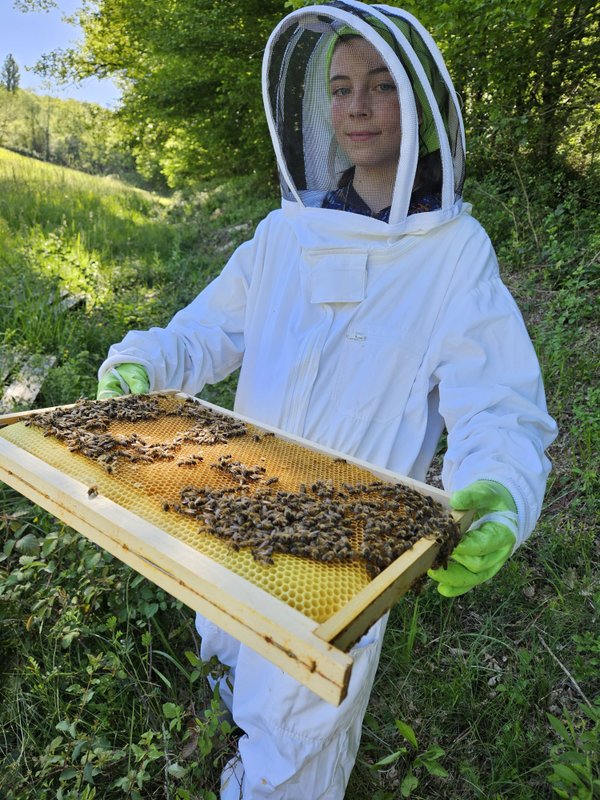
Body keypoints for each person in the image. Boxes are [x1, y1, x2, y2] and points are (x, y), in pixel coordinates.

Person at [96, 2, 557, 797]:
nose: (359, 108)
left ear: (416, 104)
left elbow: (499, 404)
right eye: (341, 89)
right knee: (225, 652)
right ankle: (222, 739)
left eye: (381, 87)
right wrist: (146, 361)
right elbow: (205, 329)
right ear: (319, 108)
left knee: (302, 720)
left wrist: (503, 489)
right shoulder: (287, 233)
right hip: (233, 499)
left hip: (345, 544)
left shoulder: (452, 253)